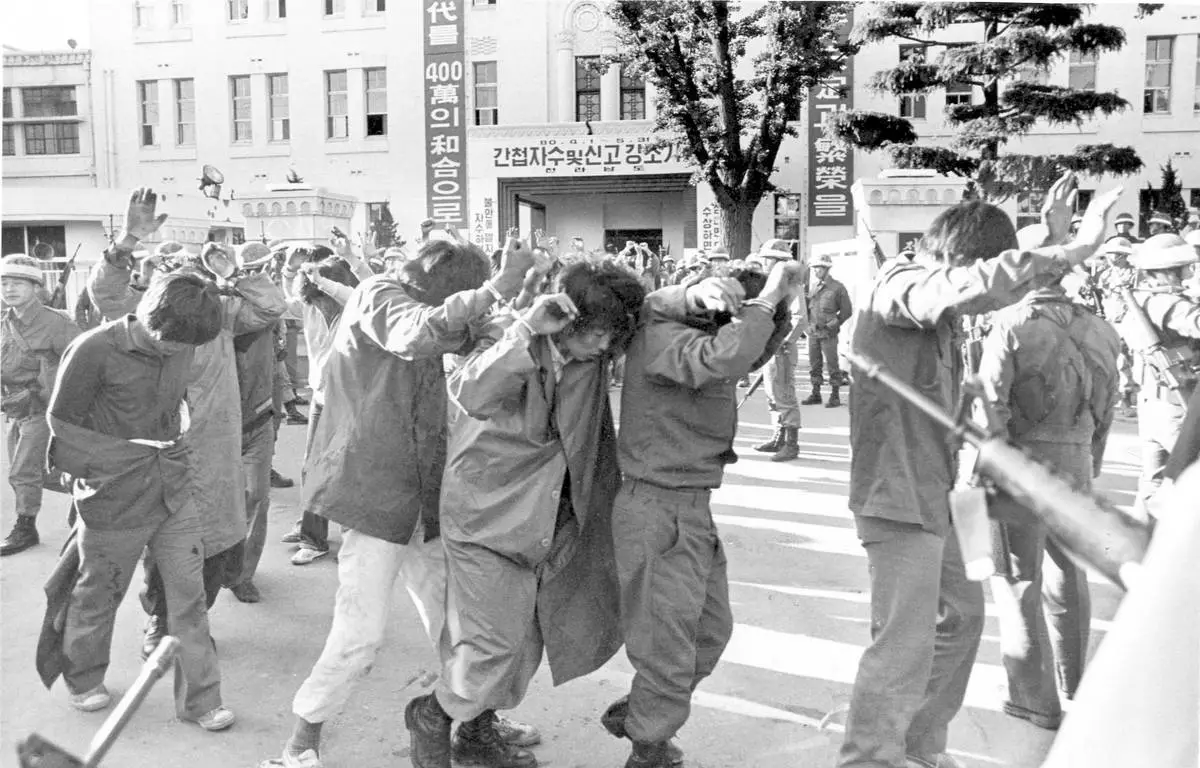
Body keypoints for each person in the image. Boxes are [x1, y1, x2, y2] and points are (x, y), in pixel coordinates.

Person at [840, 171, 1122, 768]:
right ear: (959, 258)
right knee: (902, 643)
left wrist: (1044, 234)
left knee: (965, 620)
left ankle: (919, 745)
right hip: (898, 499)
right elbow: (970, 287)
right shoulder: (902, 285)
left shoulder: (938, 308)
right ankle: (868, 760)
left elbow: (978, 284)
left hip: (949, 494)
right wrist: (1069, 249)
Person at [261, 237, 540, 768]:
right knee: (360, 634)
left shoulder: (425, 305)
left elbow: (478, 336)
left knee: (459, 625)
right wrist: (495, 289)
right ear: (438, 283)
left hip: (424, 493)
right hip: (376, 494)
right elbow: (417, 335)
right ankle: (301, 740)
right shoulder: (378, 295)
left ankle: (476, 722)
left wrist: (521, 304)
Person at [404, 260, 646, 768]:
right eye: (597, 333)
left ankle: (476, 734)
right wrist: (525, 328)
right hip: (486, 517)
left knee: (523, 643)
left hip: (548, 517)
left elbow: (659, 319)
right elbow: (470, 392)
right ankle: (434, 714)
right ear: (573, 320)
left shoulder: (591, 358)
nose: (604, 347)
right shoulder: (513, 336)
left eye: (611, 336)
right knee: (489, 646)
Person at [606, 261, 801, 768]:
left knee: (710, 633)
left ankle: (647, 710)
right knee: (667, 648)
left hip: (690, 507)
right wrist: (769, 296)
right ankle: (649, 747)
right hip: (658, 507)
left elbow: (748, 350)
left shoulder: (696, 337)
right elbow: (731, 354)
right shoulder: (663, 337)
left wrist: (774, 309)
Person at [47, 266, 234, 730]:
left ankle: (201, 700)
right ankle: (84, 678)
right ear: (149, 313)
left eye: (185, 345)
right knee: (99, 592)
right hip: (113, 496)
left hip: (173, 490)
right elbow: (63, 426)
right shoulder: (94, 349)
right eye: (169, 342)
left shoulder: (186, 338)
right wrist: (120, 462)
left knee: (189, 600)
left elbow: (174, 406)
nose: (176, 350)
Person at [975, 244, 1120, 731]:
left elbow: (990, 403)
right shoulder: (1102, 327)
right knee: (1069, 575)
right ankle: (1075, 681)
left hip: (1022, 460)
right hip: (1077, 458)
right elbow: (1109, 403)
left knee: (1018, 577)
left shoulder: (1010, 323)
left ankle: (1032, 698)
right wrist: (1088, 459)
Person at [135, 241, 287, 655]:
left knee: (217, 546)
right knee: (166, 546)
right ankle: (159, 621)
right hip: (163, 454)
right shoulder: (150, 316)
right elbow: (109, 297)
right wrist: (127, 250)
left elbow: (272, 307)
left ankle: (194, 620)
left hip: (218, 452)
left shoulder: (220, 316)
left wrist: (234, 273)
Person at [278, 238, 372, 565]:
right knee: (310, 465)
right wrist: (290, 267)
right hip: (320, 396)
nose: (320, 307)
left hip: (350, 400)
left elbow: (372, 292)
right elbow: (277, 300)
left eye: (324, 299)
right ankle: (312, 534)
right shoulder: (308, 303)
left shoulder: (356, 309)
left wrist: (357, 260)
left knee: (345, 468)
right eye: (314, 300)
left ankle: (353, 537)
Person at [1108, 233, 1200, 519]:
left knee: (1154, 482)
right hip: (1177, 406)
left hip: (1155, 403)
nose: (1189, 271)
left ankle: (1143, 549)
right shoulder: (1164, 303)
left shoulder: (1140, 299)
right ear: (1166, 271)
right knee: (1187, 480)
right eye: (1184, 267)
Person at [0, 255, 80, 556]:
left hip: (43, 407)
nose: (9, 289)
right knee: (37, 471)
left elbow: (81, 362)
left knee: (22, 470)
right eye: (4, 283)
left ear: (35, 286)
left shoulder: (56, 323)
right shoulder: (5, 322)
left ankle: (25, 526)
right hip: (16, 407)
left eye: (18, 283)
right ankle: (86, 496)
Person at [227, 242, 289, 603]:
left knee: (256, 497)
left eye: (259, 270)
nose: (253, 275)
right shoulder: (216, 307)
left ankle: (241, 573)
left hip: (256, 419)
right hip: (212, 425)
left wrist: (244, 276)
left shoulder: (260, 308)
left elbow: (272, 305)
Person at [750, 239, 809, 461]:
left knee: (784, 394)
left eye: (767, 258)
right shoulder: (773, 281)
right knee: (772, 394)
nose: (764, 262)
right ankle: (778, 438)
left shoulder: (790, 283)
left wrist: (785, 341)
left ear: (777, 260)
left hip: (781, 348)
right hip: (770, 346)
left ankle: (791, 444)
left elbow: (800, 318)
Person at [801, 253, 852, 408]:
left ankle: (835, 395)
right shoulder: (814, 287)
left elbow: (847, 311)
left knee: (832, 364)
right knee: (814, 364)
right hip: (813, 333)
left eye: (819, 268)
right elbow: (809, 308)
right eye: (814, 268)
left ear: (826, 268)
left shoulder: (838, 287)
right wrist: (807, 325)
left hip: (828, 333)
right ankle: (816, 393)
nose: (816, 271)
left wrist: (833, 325)